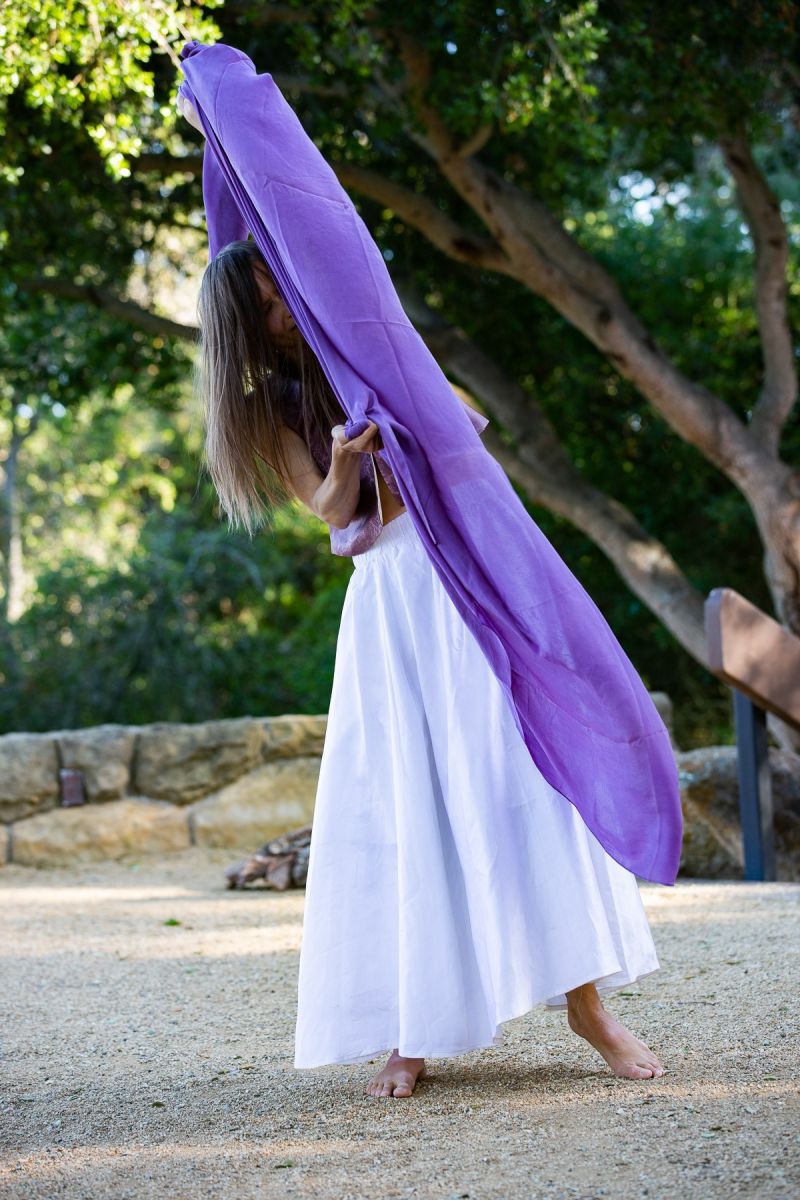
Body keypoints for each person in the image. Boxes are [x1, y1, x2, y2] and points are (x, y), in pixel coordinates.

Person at [192, 224, 668, 1099]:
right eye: (262, 310)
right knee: (406, 799)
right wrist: (343, 458)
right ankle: (410, 1030)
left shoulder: (362, 346)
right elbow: (331, 513)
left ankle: (588, 1008)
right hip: (392, 598)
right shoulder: (267, 406)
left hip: (463, 573)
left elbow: (459, 441)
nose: (282, 314)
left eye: (277, 293)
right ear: (243, 329)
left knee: (526, 773)